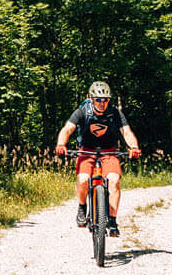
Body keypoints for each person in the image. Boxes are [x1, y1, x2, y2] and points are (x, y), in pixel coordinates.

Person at [56, 80, 140, 236]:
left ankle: (113, 221)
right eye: (99, 100)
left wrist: (134, 147)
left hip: (109, 152)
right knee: (82, 179)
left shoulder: (114, 113)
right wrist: (61, 144)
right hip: (86, 151)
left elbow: (127, 132)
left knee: (114, 180)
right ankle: (82, 207)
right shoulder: (82, 111)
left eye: (106, 100)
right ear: (91, 98)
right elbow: (67, 129)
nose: (102, 103)